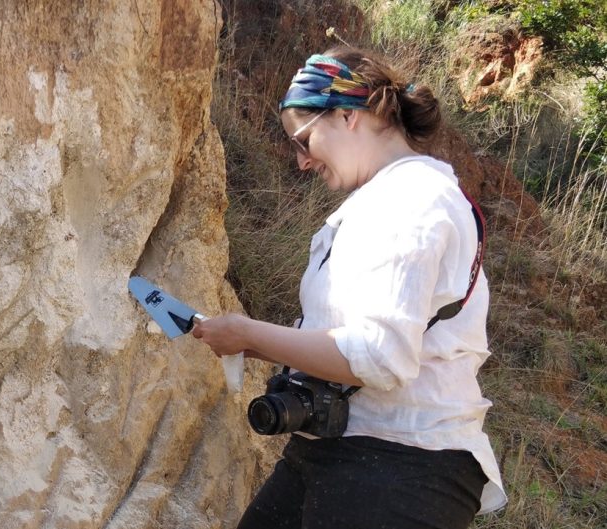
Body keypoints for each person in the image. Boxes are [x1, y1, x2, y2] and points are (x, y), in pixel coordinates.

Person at [192, 47, 507, 529]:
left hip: (403, 464)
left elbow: (380, 355)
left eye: (303, 139)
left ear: (348, 114)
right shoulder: (378, 201)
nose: (301, 162)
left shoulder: (414, 198)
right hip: (337, 450)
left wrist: (250, 333)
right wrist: (246, 343)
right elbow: (349, 338)